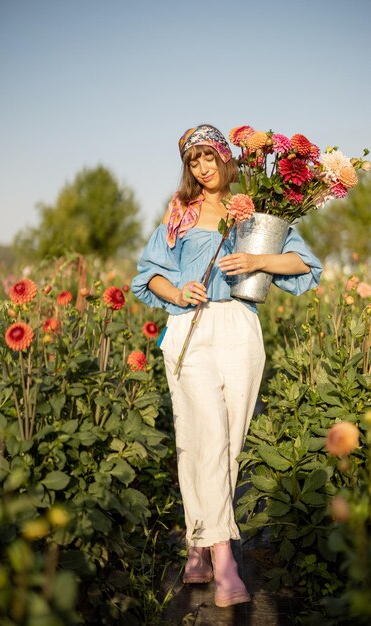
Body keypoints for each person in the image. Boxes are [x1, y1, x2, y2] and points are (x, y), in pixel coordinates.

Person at [131, 124, 322, 608]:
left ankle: (197, 541)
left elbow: (305, 265)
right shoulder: (179, 214)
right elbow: (148, 274)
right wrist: (176, 292)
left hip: (240, 326)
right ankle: (224, 561)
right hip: (190, 328)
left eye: (207, 157)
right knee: (205, 435)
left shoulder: (255, 211)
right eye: (192, 161)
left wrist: (254, 259)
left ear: (224, 158)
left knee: (225, 442)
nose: (201, 167)